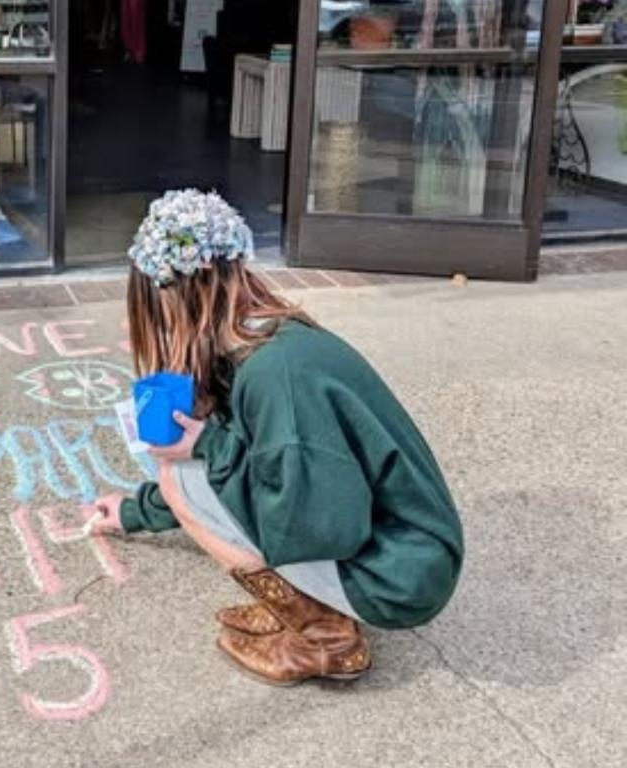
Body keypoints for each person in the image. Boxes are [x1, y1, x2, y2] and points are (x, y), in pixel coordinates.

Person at [89, 189, 464, 686]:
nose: (132, 323)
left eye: (149, 306)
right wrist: (135, 512)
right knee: (191, 469)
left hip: (397, 578)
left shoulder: (273, 376)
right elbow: (273, 468)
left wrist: (205, 448)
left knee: (181, 477)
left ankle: (324, 637)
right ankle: (302, 604)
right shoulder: (261, 337)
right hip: (402, 550)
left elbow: (309, 524)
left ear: (174, 295)